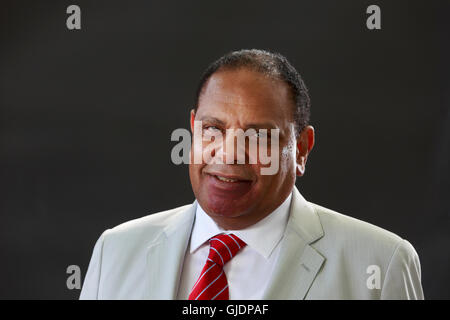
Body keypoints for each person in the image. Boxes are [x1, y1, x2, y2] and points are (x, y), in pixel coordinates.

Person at [79, 49, 424, 299]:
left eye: (258, 136)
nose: (228, 152)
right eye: (213, 128)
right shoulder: (116, 250)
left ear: (302, 148)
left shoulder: (382, 263)